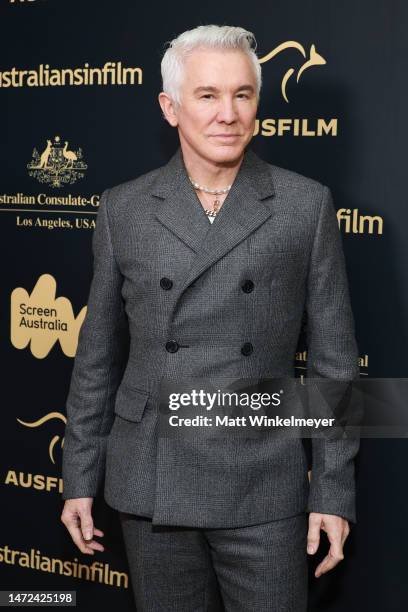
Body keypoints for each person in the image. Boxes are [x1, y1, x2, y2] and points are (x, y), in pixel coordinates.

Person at [61, 24, 360, 611]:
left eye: (242, 94)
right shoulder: (123, 208)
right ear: (170, 108)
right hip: (151, 477)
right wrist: (79, 474)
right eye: (207, 95)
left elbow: (335, 361)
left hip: (263, 481)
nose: (228, 113)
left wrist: (333, 489)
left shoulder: (305, 204)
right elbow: (96, 354)